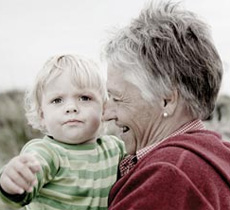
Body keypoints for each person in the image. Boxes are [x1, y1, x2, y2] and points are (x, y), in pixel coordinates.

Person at [102, 1, 230, 209]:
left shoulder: (167, 176)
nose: (106, 113)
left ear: (167, 100)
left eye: (117, 98)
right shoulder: (218, 157)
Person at [0, 54, 126, 209]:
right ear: (42, 116)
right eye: (57, 100)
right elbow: (22, 190)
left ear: (104, 109)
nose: (71, 107)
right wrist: (14, 181)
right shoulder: (46, 152)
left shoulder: (115, 149)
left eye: (84, 98)